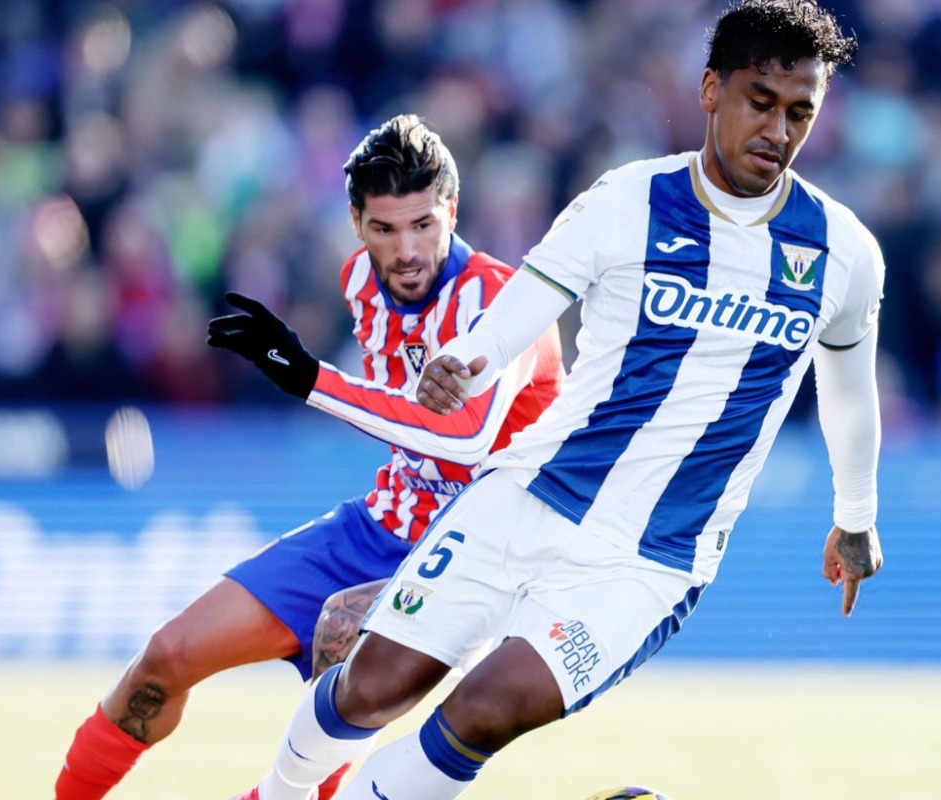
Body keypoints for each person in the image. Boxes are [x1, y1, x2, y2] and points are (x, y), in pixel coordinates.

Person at [235, 3, 884, 798]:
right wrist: (463, 361)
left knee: (486, 708)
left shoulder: (843, 253)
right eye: (761, 101)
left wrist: (855, 515)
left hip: (652, 557)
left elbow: (848, 390)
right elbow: (517, 314)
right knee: (374, 684)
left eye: (799, 113)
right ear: (712, 90)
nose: (779, 131)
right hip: (529, 495)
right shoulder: (626, 202)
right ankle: (278, 791)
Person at [53, 114, 563, 800]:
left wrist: (311, 379)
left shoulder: (502, 301)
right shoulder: (360, 282)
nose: (406, 249)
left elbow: (463, 437)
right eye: (384, 229)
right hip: (375, 527)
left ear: (453, 210)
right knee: (165, 657)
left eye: (423, 225)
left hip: (469, 561)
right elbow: (399, 420)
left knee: (333, 713)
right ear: (356, 222)